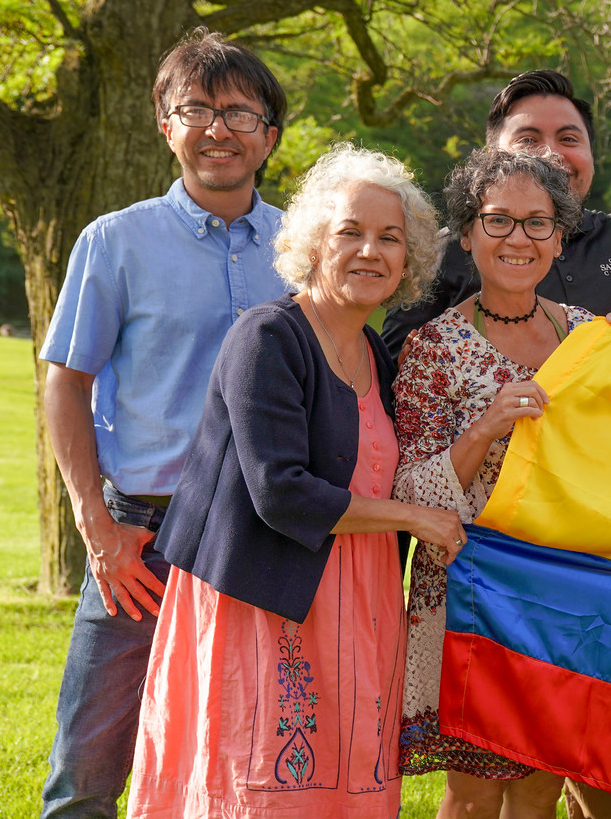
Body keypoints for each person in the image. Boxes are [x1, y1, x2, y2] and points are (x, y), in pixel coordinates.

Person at [124, 143, 461, 817]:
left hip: (358, 599)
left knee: (345, 791)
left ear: (409, 260)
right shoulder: (268, 337)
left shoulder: (373, 349)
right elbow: (279, 491)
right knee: (263, 790)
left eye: (389, 238)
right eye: (350, 232)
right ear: (313, 243)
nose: (370, 250)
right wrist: (413, 518)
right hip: (265, 598)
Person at [35, 29, 292, 819]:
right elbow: (65, 382)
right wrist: (94, 525)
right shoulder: (114, 240)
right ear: (164, 124)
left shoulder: (306, 243)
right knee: (89, 767)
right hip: (140, 537)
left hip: (262, 535)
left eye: (240, 113)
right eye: (197, 109)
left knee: (240, 761)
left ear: (270, 135)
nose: (218, 129)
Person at [394, 148, 611, 819]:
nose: (518, 239)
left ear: (560, 237)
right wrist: (485, 428)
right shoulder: (432, 348)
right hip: (474, 596)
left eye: (537, 222)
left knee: (539, 786)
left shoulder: (590, 337)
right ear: (467, 233)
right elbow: (411, 497)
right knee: (474, 795)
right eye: (499, 221)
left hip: (566, 594)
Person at [381, 69, 611, 356]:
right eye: (528, 140)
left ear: (592, 155)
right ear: (491, 159)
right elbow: (389, 375)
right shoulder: (437, 255)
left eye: (568, 139)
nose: (550, 154)